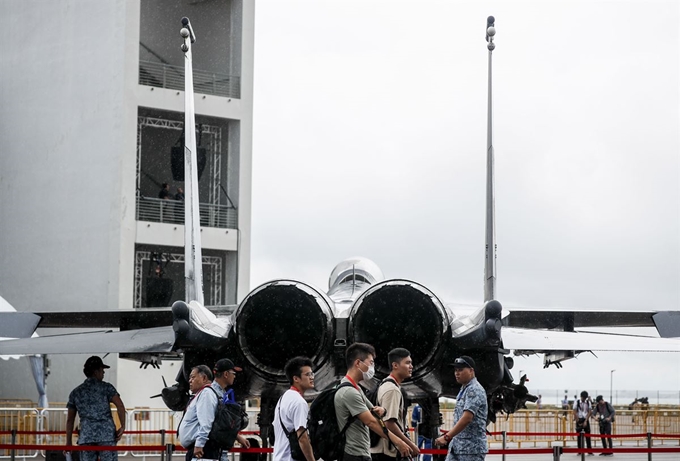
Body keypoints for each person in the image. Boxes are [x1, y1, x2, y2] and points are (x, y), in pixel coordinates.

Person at [334, 342, 411, 461]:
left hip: (362, 453)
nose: (372, 367)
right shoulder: (349, 392)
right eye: (370, 363)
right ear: (358, 363)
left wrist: (383, 410)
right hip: (353, 455)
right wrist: (398, 442)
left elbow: (374, 413)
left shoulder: (356, 388)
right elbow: (372, 422)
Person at [65, 356, 126, 461]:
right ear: (95, 372)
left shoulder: (75, 392)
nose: (103, 373)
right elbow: (120, 405)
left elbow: (70, 420)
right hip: (106, 437)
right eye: (102, 370)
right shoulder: (106, 388)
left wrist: (68, 442)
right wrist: (123, 426)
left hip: (86, 437)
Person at [434, 356, 488, 461]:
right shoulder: (465, 389)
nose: (457, 373)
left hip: (471, 450)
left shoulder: (474, 390)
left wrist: (446, 437)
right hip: (457, 447)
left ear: (471, 371)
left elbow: (467, 418)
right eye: (456, 370)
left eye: (461, 370)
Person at [370, 348, 420, 461]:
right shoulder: (392, 390)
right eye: (407, 363)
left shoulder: (385, 384)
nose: (411, 366)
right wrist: (410, 445)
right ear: (395, 365)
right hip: (386, 453)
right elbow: (389, 423)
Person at [273, 356, 316, 461]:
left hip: (279, 457)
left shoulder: (283, 398)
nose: (312, 377)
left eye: (312, 373)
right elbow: (302, 437)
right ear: (295, 378)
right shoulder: (299, 402)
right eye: (307, 374)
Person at [178, 365, 220, 461]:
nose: (190, 381)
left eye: (193, 377)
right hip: (197, 449)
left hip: (201, 450)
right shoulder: (201, 394)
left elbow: (206, 422)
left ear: (204, 378)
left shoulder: (206, 393)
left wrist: (199, 444)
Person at [212, 359, 251, 455]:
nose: (234, 376)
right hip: (212, 449)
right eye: (233, 373)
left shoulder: (221, 393)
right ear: (226, 374)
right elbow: (209, 422)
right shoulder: (212, 394)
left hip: (219, 449)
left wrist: (237, 437)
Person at [573, 390, 594, 456]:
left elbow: (590, 412)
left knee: (588, 435)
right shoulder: (577, 402)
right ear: (581, 397)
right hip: (579, 419)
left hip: (585, 419)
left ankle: (589, 451)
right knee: (579, 436)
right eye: (582, 398)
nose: (583, 399)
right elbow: (574, 411)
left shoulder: (588, 402)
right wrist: (578, 421)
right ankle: (580, 451)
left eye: (585, 398)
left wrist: (586, 421)